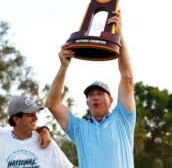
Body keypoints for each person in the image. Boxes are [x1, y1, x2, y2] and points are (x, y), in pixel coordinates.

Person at [45, 10, 136, 168]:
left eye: (100, 94)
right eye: (91, 95)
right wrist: (63, 67)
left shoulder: (122, 119)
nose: (95, 97)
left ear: (111, 100)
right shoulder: (79, 129)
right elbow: (52, 104)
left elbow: (127, 77)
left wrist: (119, 36)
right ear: (87, 103)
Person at [0, 95, 77, 168]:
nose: (36, 118)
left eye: (35, 113)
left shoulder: (46, 141)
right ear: (16, 119)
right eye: (30, 114)